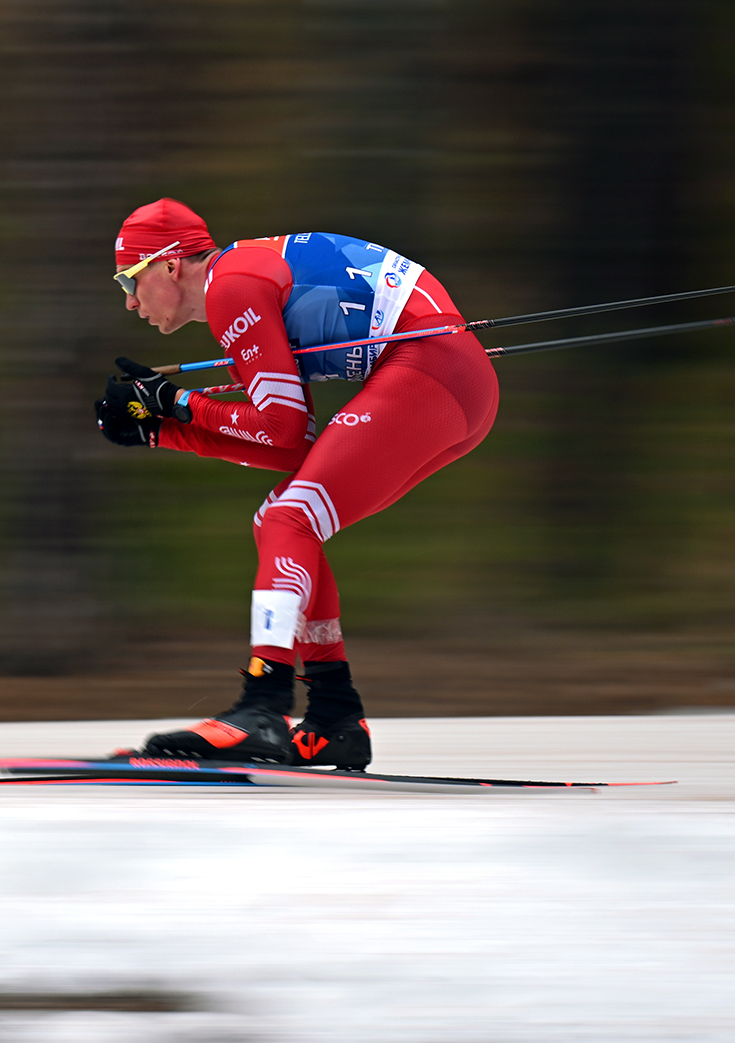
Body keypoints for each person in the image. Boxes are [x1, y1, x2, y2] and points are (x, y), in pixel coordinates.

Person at [95, 198, 498, 770]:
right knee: (284, 518)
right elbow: (288, 445)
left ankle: (263, 706)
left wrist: (181, 404)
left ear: (169, 265)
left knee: (289, 518)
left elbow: (280, 431)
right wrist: (166, 430)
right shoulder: (238, 286)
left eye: (129, 280)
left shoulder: (231, 288)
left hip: (431, 370)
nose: (131, 301)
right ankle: (334, 715)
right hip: (450, 380)